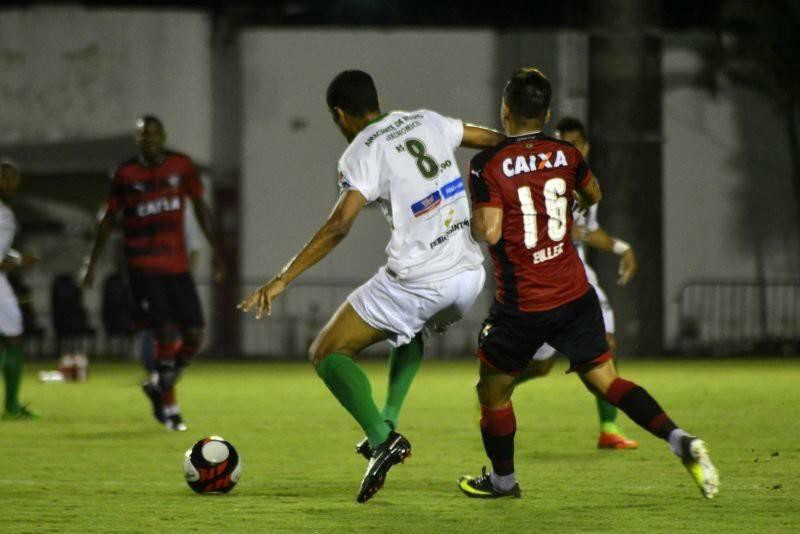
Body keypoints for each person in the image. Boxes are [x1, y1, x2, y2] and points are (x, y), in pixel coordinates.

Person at [239, 70, 504, 503]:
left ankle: (383, 440)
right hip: (470, 277)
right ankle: (388, 419)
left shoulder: (360, 150)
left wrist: (283, 277)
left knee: (325, 351)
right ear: (377, 100)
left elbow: (340, 224)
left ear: (340, 115)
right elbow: (494, 141)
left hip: (421, 280)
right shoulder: (427, 120)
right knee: (411, 328)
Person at [458, 68, 718, 499]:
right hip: (575, 295)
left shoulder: (488, 164)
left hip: (523, 303)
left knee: (492, 390)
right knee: (608, 382)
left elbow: (487, 231)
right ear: (547, 114)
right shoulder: (566, 154)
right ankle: (682, 441)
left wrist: (466, 218)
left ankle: (504, 481)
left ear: (505, 112)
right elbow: (594, 193)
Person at [80, 115, 224, 432]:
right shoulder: (125, 173)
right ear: (137, 139)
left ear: (164, 136)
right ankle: (170, 409)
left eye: (155, 134)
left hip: (178, 266)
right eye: (144, 134)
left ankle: (158, 382)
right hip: (143, 268)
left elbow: (201, 207)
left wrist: (217, 252)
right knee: (166, 332)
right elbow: (107, 219)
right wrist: (90, 264)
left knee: (195, 334)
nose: (150, 139)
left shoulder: (182, 166)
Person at [513, 116, 640, 450]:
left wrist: (621, 248)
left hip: (581, 277)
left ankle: (609, 428)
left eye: (573, 144)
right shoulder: (539, 179)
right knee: (541, 366)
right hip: (546, 278)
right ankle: (501, 383)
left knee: (607, 343)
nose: (567, 150)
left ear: (585, 147)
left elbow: (588, 229)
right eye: (561, 143)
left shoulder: (587, 182)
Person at [0, 160, 39, 420]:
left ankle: (12, 405)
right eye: (4, 177)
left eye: (13, 178)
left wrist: (13, 256)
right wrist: (18, 261)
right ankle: (11, 406)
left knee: (13, 335)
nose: (10, 183)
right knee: (13, 336)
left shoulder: (5, 210)